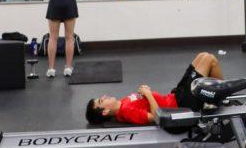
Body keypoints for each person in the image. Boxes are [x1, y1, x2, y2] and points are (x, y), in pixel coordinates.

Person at [85, 52, 223, 125]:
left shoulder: (122, 102)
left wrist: (145, 91)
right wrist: (148, 94)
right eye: (101, 101)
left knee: (202, 56)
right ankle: (222, 97)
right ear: (105, 111)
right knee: (210, 60)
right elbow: (156, 117)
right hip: (181, 105)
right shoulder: (125, 112)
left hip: (175, 96)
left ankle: (215, 96)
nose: (104, 96)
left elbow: (143, 101)